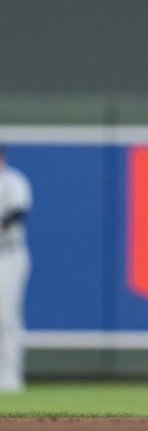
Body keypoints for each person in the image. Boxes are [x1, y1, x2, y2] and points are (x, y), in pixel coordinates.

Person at [0, 144, 32, 393]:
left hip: (8, 255)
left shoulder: (13, 181)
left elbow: (17, 213)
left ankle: (10, 377)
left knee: (6, 316)